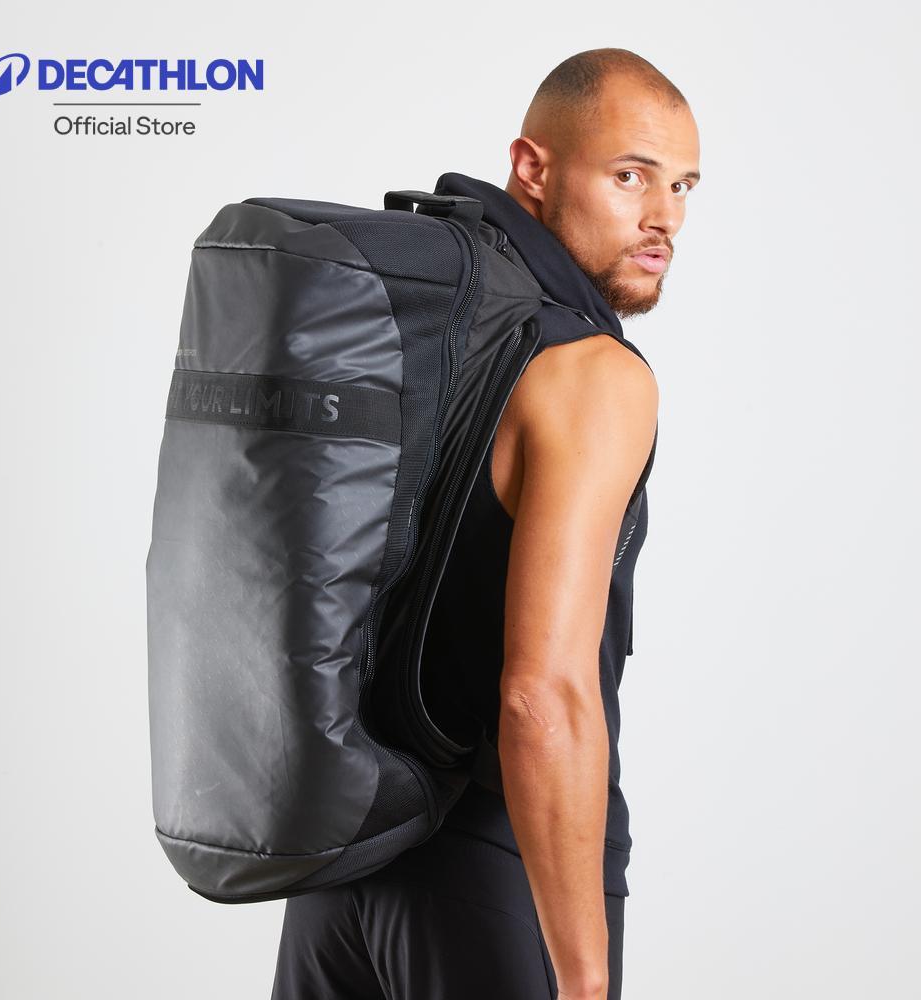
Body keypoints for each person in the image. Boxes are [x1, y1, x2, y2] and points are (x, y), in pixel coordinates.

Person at [271, 47, 701, 1000]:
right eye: (630, 176)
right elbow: (541, 696)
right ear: (532, 168)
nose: (664, 217)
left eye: (682, 186)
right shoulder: (594, 375)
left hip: (344, 863)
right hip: (497, 869)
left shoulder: (431, 334)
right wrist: (580, 977)